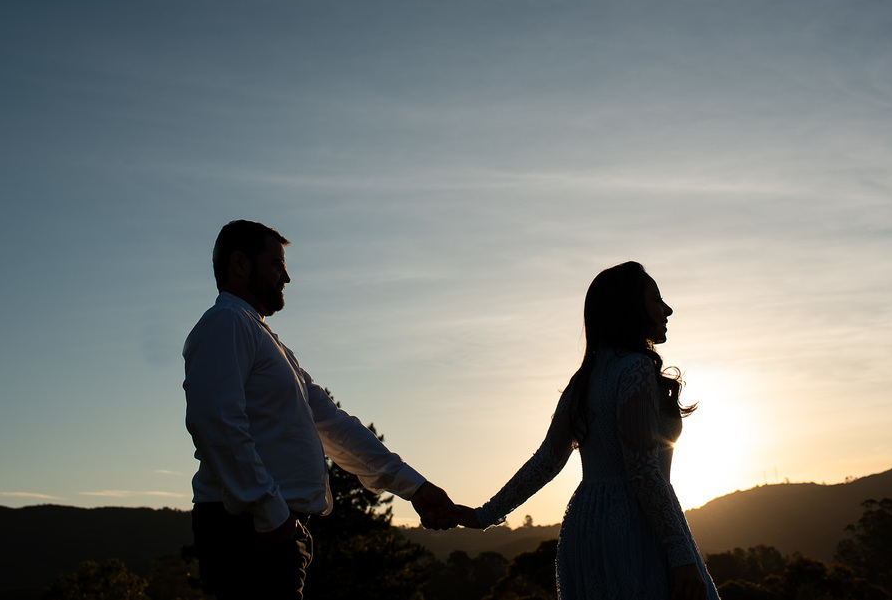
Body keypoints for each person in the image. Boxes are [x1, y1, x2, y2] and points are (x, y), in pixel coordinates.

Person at [183, 220, 455, 600]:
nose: (286, 277)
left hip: (270, 531)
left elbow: (335, 427)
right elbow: (216, 421)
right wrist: (270, 514)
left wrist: (415, 487)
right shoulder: (225, 322)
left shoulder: (268, 343)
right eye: (276, 265)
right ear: (240, 263)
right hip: (247, 533)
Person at [445, 261, 719, 600]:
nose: (667, 309)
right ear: (630, 307)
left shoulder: (584, 379)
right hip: (636, 527)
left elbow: (546, 461)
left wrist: (485, 514)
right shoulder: (635, 367)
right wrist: (681, 555)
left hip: (587, 527)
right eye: (656, 299)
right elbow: (643, 470)